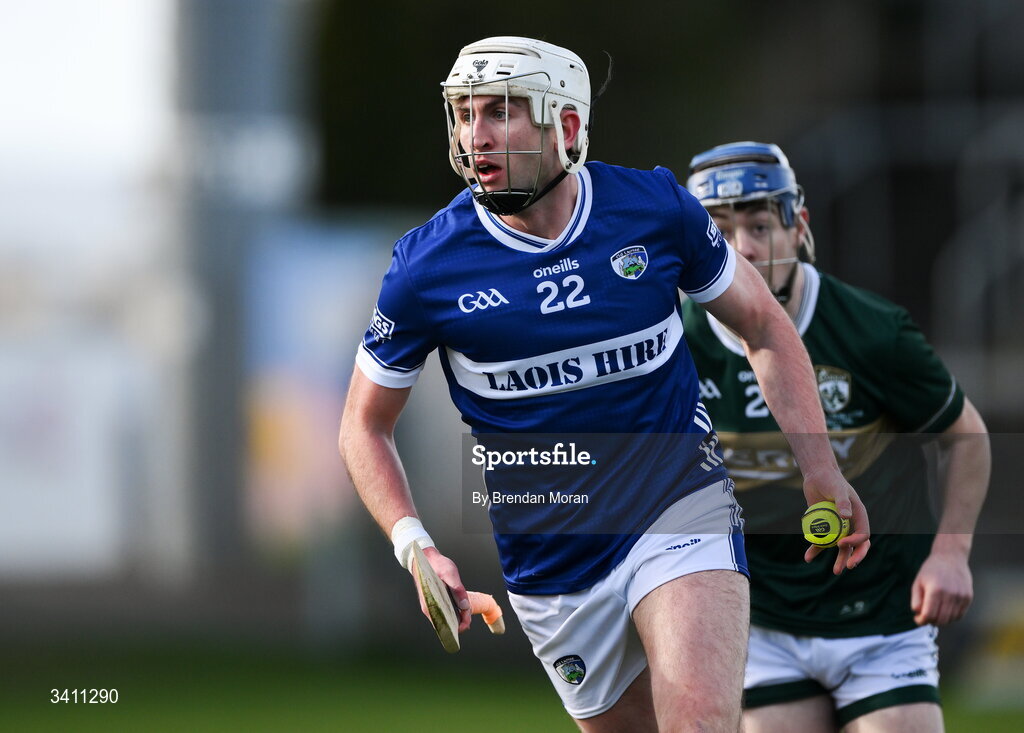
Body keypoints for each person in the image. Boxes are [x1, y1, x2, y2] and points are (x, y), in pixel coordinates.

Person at [339, 39, 870, 732]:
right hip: (550, 561)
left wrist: (820, 467)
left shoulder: (654, 210)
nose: (477, 135)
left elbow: (766, 327)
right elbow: (363, 425)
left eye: (501, 112)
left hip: (679, 508)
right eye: (466, 114)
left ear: (564, 127)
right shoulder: (426, 267)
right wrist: (415, 542)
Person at [682, 141, 991, 732]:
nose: (741, 248)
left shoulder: (872, 332)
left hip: (883, 618)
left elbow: (966, 435)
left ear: (798, 227)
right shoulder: (673, 343)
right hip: (761, 619)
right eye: (718, 229)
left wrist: (952, 553)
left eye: (759, 224)